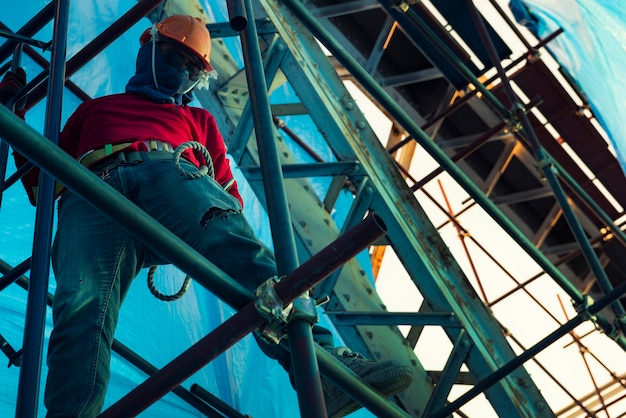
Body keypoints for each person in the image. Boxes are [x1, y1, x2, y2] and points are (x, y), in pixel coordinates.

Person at [2, 15, 412, 418]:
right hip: (93, 192)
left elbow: (225, 201)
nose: (179, 69)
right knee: (80, 309)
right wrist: (12, 116)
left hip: (168, 170)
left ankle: (324, 369)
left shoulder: (198, 121)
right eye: (172, 55)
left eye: (190, 66)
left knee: (244, 258)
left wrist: (230, 228)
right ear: (147, 48)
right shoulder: (96, 111)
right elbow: (43, 182)